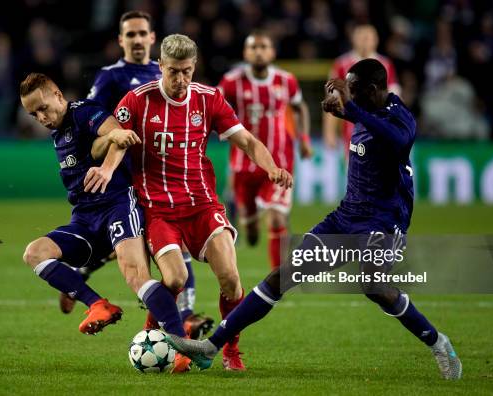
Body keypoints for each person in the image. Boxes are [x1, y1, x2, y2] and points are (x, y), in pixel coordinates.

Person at [166, 59, 463, 380]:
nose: (347, 95)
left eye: (353, 90)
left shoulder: (400, 119)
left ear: (373, 91)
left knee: (374, 284)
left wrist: (351, 110)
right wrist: (342, 110)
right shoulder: (364, 110)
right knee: (282, 276)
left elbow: (396, 141)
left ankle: (438, 342)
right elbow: (360, 117)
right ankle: (212, 347)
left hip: (383, 222)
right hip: (345, 217)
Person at [89, 34, 292, 371]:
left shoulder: (208, 99)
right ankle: (152, 335)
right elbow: (119, 141)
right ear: (160, 67)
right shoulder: (138, 100)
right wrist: (108, 170)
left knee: (231, 279)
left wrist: (271, 167)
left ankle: (229, 351)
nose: (181, 80)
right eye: (173, 72)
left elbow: (247, 141)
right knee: (174, 280)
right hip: (158, 211)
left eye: (186, 71)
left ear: (194, 67)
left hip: (202, 205)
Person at [19, 73, 188, 343]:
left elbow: (113, 131)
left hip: (118, 205)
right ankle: (98, 305)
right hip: (85, 220)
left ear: (58, 96)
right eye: (33, 114)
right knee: (34, 253)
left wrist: (117, 135)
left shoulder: (84, 112)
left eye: (42, 108)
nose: (40, 117)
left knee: (135, 276)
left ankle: (183, 343)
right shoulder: (58, 133)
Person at [83, 11, 213, 339]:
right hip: (126, 181)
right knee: (143, 249)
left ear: (153, 39)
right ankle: (179, 317)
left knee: (169, 248)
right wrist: (109, 144)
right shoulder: (110, 78)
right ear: (121, 40)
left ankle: (183, 316)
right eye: (131, 35)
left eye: (143, 33)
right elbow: (89, 125)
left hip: (163, 181)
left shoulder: (167, 73)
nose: (137, 39)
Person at [218, 30, 312, 270]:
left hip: (280, 161)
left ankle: (277, 279)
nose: (258, 52)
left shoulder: (286, 80)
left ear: (272, 52)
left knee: (277, 216)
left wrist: (303, 138)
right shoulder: (231, 82)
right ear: (245, 53)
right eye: (253, 47)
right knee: (249, 230)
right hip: (243, 164)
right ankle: (251, 224)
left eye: (263, 47)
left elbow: (300, 108)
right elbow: (212, 107)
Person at [323, 24, 399, 155]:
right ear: (353, 39)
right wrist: (329, 132)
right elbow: (332, 99)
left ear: (376, 40)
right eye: (361, 37)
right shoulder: (341, 65)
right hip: (353, 129)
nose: (365, 41)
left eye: (368, 37)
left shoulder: (386, 64)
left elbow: (394, 99)